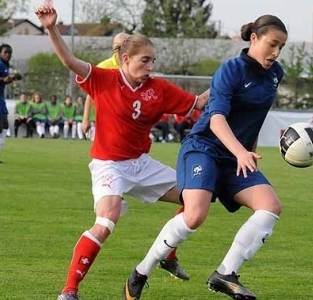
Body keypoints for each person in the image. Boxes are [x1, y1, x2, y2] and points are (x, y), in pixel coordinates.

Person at [35, 6, 210, 300]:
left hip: (141, 164)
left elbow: (199, 103)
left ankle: (168, 253)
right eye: (145, 60)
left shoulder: (159, 89)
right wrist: (52, 28)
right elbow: (68, 60)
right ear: (125, 59)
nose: (150, 66)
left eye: (153, 60)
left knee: (196, 195)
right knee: (106, 222)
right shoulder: (104, 79)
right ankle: (69, 291)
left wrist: (230, 78)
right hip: (109, 166)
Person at [123, 14, 288, 300]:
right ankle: (141, 271)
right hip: (204, 148)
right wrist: (240, 151)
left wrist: (248, 150)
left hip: (237, 157)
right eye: (272, 44)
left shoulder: (276, 74)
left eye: (281, 47)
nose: (275, 53)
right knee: (195, 214)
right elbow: (216, 121)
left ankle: (225, 273)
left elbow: (254, 118)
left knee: (270, 206)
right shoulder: (230, 71)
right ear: (254, 39)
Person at [81, 32, 129, 135]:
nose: (123, 48)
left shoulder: (133, 67)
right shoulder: (103, 67)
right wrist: (86, 119)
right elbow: (90, 94)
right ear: (114, 47)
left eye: (127, 44)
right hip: (105, 117)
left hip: (127, 118)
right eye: (119, 46)